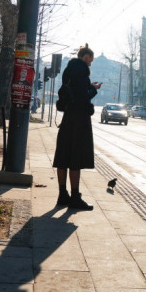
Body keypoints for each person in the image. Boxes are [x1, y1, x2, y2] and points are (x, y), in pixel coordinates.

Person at [52, 44, 101, 210]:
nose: (90, 65)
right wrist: (93, 90)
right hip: (79, 120)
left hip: (67, 119)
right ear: (85, 57)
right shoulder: (82, 71)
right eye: (90, 61)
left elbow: (72, 91)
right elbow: (82, 97)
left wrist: (88, 87)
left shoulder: (69, 71)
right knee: (75, 158)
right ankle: (75, 197)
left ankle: (62, 194)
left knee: (63, 156)